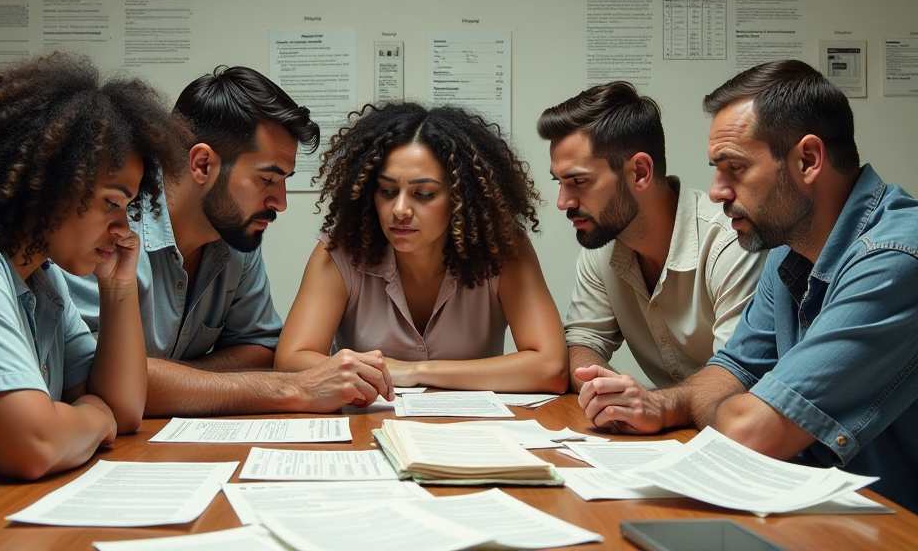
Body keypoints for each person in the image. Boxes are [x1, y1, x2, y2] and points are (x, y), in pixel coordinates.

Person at [576, 60, 918, 513]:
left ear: (808, 160)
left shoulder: (895, 259)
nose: (716, 191)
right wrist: (662, 407)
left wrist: (731, 406)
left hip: (895, 522)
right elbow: (732, 370)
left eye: (734, 168)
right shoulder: (788, 250)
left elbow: (750, 431)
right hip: (823, 510)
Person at [0, 53, 186, 530]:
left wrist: (117, 287)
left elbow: (126, 408)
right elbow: (33, 446)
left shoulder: (39, 277)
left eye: (129, 207)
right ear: (51, 183)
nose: (121, 228)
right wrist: (92, 415)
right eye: (111, 202)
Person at [63, 66, 393, 416]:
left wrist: (174, 382)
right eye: (267, 179)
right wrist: (292, 388)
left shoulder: (236, 237)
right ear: (203, 164)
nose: (280, 202)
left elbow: (260, 347)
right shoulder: (107, 230)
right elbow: (96, 379)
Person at [275, 103, 569, 393]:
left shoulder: (503, 250)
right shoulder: (340, 250)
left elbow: (551, 368)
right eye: (387, 191)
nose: (400, 209)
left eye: (424, 194)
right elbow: (291, 360)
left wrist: (413, 371)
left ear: (460, 198)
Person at [537, 82, 765, 391]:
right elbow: (582, 342)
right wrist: (610, 391)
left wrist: (652, 406)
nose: (564, 202)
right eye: (560, 182)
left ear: (640, 172)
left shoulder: (731, 242)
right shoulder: (602, 242)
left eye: (579, 181)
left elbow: (738, 379)